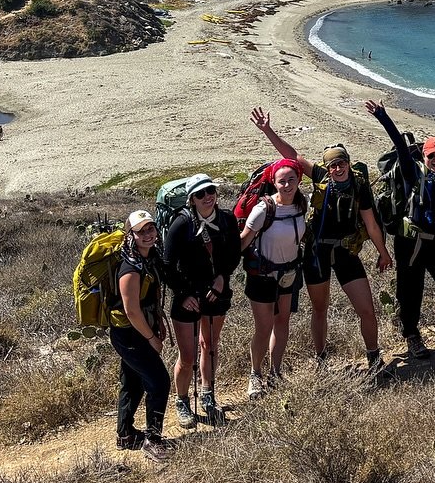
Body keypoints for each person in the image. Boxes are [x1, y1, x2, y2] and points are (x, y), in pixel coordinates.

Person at [248, 107, 394, 374]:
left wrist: (383, 252)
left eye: (342, 163)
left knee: (367, 310)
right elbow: (292, 157)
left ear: (349, 163)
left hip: (346, 252)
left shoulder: (359, 186)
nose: (338, 169)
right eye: (333, 165)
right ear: (327, 168)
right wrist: (268, 130)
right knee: (320, 309)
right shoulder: (322, 178)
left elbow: (371, 223)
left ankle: (374, 357)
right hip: (317, 252)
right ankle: (321, 358)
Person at [365, 99, 435, 359]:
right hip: (412, 243)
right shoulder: (414, 174)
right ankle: (412, 336)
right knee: (411, 291)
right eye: (431, 154)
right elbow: (401, 146)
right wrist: (383, 116)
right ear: (424, 156)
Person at [162, 175, 241, 428]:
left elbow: (233, 255)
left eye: (210, 191)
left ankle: (208, 394)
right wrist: (183, 294)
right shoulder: (181, 224)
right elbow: (166, 265)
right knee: (187, 357)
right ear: (191, 199)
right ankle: (182, 400)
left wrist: (221, 279)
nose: (207, 197)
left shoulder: (227, 220)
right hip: (188, 297)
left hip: (216, 294)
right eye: (200, 194)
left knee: (210, 345)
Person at [240, 159, 310, 394]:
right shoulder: (263, 209)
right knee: (264, 327)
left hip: (289, 273)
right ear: (274, 183)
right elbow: (243, 241)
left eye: (292, 179)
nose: (288, 185)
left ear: (299, 180)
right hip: (262, 275)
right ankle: (255, 374)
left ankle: (275, 372)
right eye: (282, 181)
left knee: (282, 323)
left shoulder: (302, 204)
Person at [111, 210, 170, 463]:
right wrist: (151, 338)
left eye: (151, 228)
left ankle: (125, 435)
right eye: (141, 231)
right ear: (131, 236)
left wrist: (157, 323)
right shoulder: (130, 268)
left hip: (136, 332)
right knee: (159, 382)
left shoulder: (147, 258)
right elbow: (132, 311)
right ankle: (153, 440)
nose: (148, 234)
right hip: (130, 335)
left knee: (133, 382)